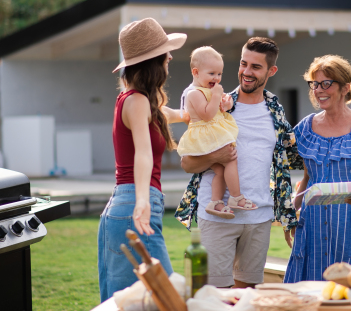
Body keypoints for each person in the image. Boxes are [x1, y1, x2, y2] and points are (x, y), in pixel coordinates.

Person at [175, 37, 303, 288]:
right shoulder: (218, 105)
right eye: (243, 64)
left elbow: (293, 158)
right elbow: (188, 164)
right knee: (213, 297)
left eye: (256, 67)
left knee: (248, 296)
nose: (246, 71)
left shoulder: (275, 111)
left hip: (260, 217)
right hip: (218, 216)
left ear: (271, 71)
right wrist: (215, 157)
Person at [98, 18, 189, 301]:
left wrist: (212, 103)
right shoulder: (137, 102)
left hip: (125, 208)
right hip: (133, 208)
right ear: (153, 62)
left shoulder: (140, 102)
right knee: (166, 297)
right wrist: (142, 201)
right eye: (165, 53)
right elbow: (143, 153)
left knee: (127, 302)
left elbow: (180, 114)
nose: (170, 57)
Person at [284, 55, 351, 283]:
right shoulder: (305, 128)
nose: (319, 90)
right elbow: (308, 178)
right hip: (311, 226)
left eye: (326, 83)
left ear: (345, 88)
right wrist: (292, 214)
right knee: (309, 294)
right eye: (315, 84)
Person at [177, 46, 257, 219]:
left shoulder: (208, 90)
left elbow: (216, 111)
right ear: (196, 72)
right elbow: (206, 115)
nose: (217, 78)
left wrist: (225, 105)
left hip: (211, 133)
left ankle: (215, 201)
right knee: (230, 160)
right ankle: (236, 197)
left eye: (219, 74)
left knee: (220, 170)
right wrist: (215, 97)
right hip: (205, 135)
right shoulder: (193, 93)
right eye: (212, 73)